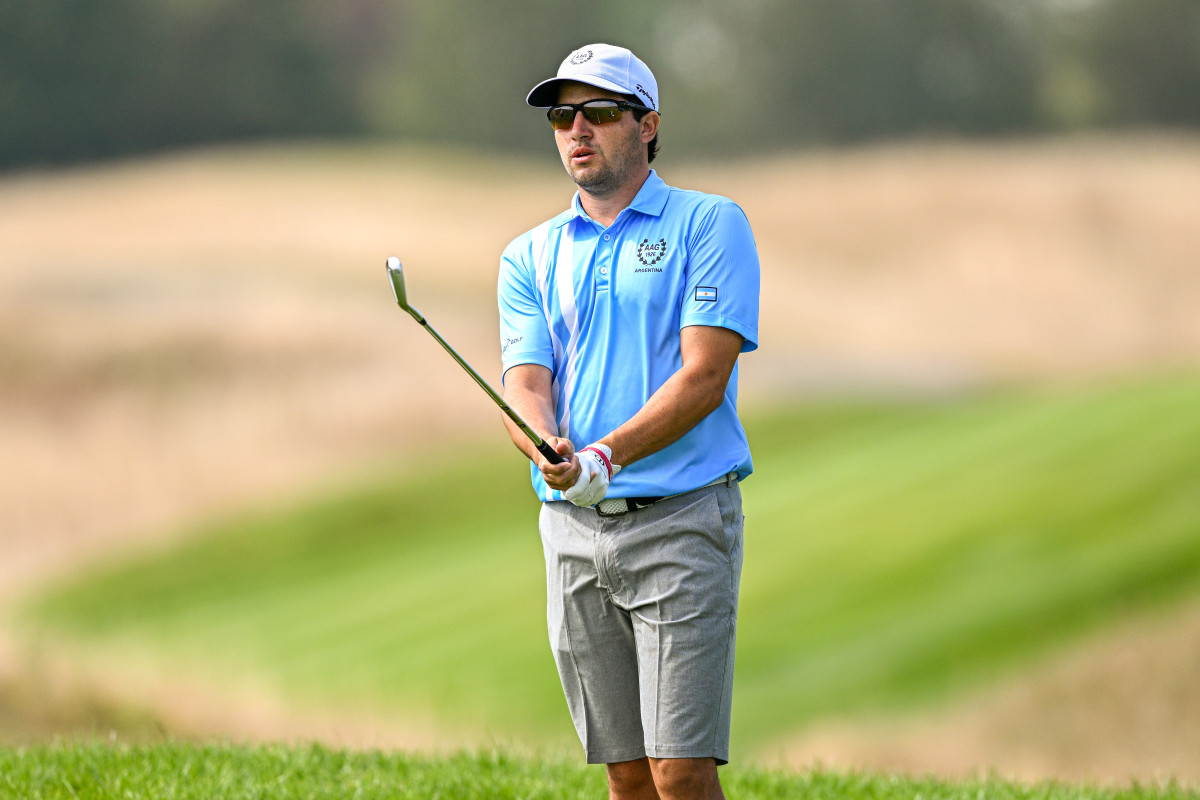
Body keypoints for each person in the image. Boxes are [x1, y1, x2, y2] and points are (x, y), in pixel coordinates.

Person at [497, 42, 760, 800]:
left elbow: (704, 376)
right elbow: (526, 384)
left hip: (680, 519)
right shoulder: (529, 255)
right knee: (628, 775)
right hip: (572, 532)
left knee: (680, 771)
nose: (577, 130)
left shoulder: (709, 224)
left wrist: (603, 457)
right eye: (562, 117)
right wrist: (545, 446)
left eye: (600, 112)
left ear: (647, 125)